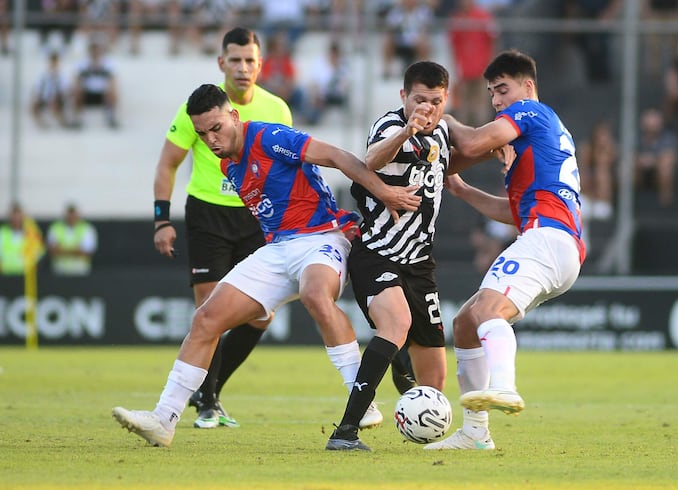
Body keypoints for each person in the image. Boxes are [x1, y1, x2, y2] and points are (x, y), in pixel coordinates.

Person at [112, 83, 421, 448]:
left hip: (323, 237)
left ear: (234, 116)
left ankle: (362, 400)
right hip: (277, 250)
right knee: (205, 319)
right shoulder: (228, 164)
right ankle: (164, 419)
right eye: (201, 134)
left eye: (216, 128)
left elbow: (337, 156)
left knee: (315, 294)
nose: (210, 140)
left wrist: (383, 192)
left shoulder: (270, 136)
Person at [424, 49, 585, 450]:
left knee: (487, 312)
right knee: (464, 323)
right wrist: (461, 189)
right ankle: (475, 434)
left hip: (547, 238)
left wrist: (444, 120)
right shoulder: (535, 147)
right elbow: (510, 213)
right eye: (492, 93)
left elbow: (476, 141)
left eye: (502, 90)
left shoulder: (532, 110)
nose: (496, 101)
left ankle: (505, 387)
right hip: (551, 242)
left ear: (526, 87)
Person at [150, 27, 296, 430]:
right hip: (208, 213)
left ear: (260, 64)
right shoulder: (198, 106)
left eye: (250, 60)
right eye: (235, 60)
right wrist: (162, 218)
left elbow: (287, 167)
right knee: (209, 308)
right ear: (221, 63)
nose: (243, 67)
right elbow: (168, 163)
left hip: (256, 216)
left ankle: (209, 391)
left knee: (261, 316)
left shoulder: (277, 109)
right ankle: (209, 401)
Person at [325, 61, 458, 451]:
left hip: (419, 263)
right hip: (377, 253)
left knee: (433, 380)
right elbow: (372, 160)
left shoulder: (445, 129)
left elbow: (465, 142)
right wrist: (407, 130)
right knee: (396, 323)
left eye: (435, 101)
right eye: (420, 99)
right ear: (404, 96)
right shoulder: (390, 127)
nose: (427, 108)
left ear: (445, 99)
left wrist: (498, 145)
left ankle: (405, 377)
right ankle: (345, 432)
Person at [447, 0, 498, 127]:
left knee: (481, 104)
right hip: (464, 69)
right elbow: (453, 44)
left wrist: (491, 65)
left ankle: (482, 134)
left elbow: (493, 40)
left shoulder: (483, 17)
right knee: (463, 105)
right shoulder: (456, 19)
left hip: (482, 69)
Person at [70, 38, 119, 129]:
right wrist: (78, 87)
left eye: (97, 50)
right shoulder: (82, 64)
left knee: (112, 90)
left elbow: (113, 80)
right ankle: (77, 118)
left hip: (102, 94)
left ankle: (111, 116)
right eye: (93, 50)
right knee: (77, 91)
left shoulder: (108, 64)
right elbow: (76, 80)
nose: (95, 53)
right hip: (87, 94)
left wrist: (111, 88)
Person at [635, 107, 678, 207]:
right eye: (650, 119)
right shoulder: (635, 136)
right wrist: (639, 160)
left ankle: (666, 202)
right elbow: (627, 153)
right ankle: (628, 200)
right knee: (625, 167)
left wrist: (652, 161)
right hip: (638, 171)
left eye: (655, 120)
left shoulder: (668, 137)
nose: (652, 123)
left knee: (666, 167)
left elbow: (672, 157)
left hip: (658, 171)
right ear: (643, 122)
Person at [46, 203, 98, 276]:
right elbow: (52, 251)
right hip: (59, 271)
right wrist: (76, 250)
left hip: (80, 271)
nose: (71, 218)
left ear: (78, 215)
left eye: (73, 215)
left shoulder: (87, 229)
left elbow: (87, 252)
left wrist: (62, 250)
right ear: (65, 215)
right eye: (69, 215)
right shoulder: (55, 228)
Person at [0, 203, 45, 276]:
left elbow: (39, 254)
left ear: (23, 216)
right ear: (9, 217)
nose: (16, 219)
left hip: (25, 276)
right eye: (14, 217)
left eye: (18, 216)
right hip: (5, 274)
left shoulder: (32, 233)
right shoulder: (2, 233)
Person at [30, 51, 71, 129]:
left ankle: (62, 120)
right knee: (33, 104)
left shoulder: (63, 76)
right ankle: (42, 123)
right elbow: (38, 89)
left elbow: (65, 90)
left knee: (55, 101)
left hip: (58, 98)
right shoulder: (43, 75)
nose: (53, 64)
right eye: (52, 62)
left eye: (55, 62)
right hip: (45, 98)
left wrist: (57, 97)